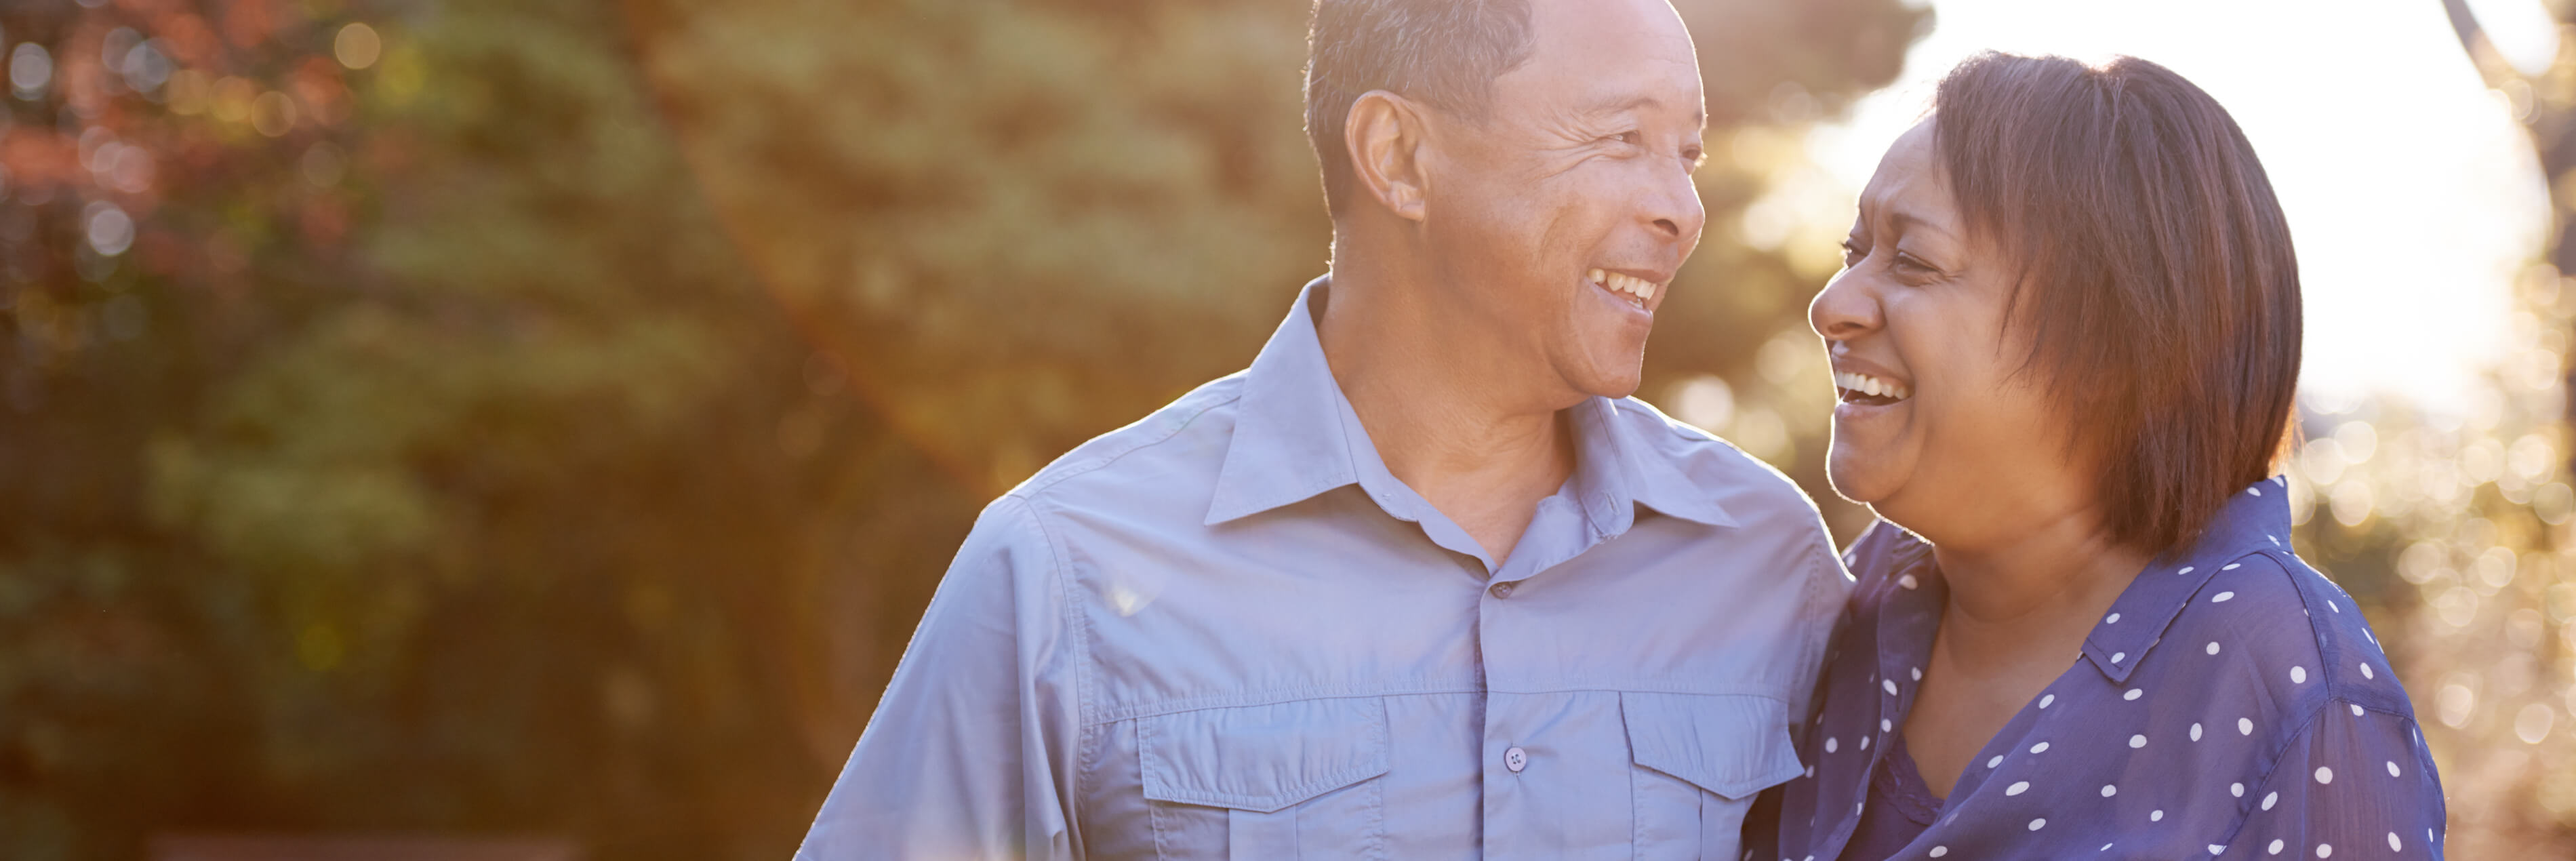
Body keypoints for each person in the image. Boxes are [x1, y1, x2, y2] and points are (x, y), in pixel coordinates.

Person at [795, 0, 1848, 858]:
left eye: (1689, 155)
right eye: (1623, 139)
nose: (1681, 208)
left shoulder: (1768, 561)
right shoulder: (1063, 570)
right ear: (1399, 156)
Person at [1754, 52, 2449, 860]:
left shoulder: (2290, 686)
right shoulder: (1861, 598)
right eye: (1853, 252)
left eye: (1911, 261)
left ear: (2115, 344)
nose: (1829, 306)